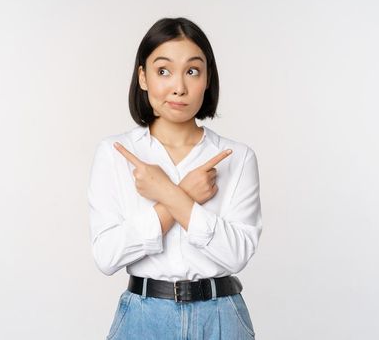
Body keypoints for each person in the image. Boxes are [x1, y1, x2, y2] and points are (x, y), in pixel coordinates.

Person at [87, 17, 263, 339]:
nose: (179, 87)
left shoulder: (238, 157)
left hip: (221, 316)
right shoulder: (115, 153)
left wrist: (167, 193)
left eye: (192, 71)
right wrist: (181, 195)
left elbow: (237, 255)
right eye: (163, 71)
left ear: (207, 78)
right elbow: (107, 256)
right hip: (144, 316)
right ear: (143, 77)